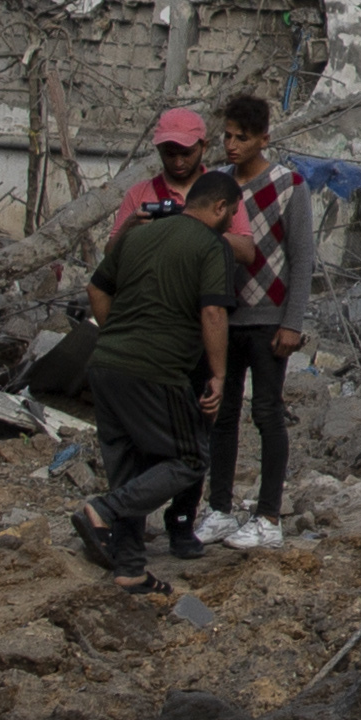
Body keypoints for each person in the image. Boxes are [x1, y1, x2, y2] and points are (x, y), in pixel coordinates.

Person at [76, 169, 239, 578]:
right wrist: (218, 375)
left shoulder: (136, 236)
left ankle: (130, 571)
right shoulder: (211, 246)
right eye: (231, 213)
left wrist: (115, 335)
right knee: (189, 459)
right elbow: (213, 312)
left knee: (128, 472)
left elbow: (96, 289)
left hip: (105, 366)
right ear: (220, 207)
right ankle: (102, 511)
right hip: (157, 370)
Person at [201, 103, 305, 550]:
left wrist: (293, 322)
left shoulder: (288, 185)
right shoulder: (216, 186)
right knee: (222, 415)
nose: (232, 144)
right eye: (227, 135)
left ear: (264, 138)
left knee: (266, 413)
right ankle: (220, 509)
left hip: (268, 317)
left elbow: (302, 258)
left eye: (242, 136)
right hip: (223, 315)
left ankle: (268, 516)